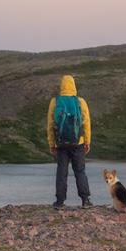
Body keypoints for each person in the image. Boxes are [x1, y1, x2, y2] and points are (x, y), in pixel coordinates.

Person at [47, 75, 92, 210]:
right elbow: (86, 124)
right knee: (80, 171)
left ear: (61, 86)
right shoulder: (80, 102)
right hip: (78, 143)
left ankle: (60, 202)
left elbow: (50, 125)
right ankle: (85, 200)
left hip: (61, 144)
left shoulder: (55, 102)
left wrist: (52, 144)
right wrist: (87, 142)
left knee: (62, 171)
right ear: (73, 85)